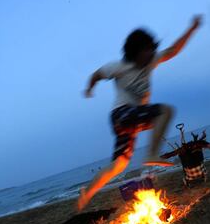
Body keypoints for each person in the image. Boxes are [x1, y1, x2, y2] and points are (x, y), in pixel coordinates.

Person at [78, 16, 202, 211]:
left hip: (131, 120)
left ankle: (88, 192)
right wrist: (89, 89)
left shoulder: (151, 61)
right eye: (147, 50)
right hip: (122, 114)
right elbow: (96, 75)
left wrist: (192, 29)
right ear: (135, 52)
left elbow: (173, 50)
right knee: (165, 111)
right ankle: (152, 153)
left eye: (152, 49)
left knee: (119, 164)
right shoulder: (118, 67)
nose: (151, 54)